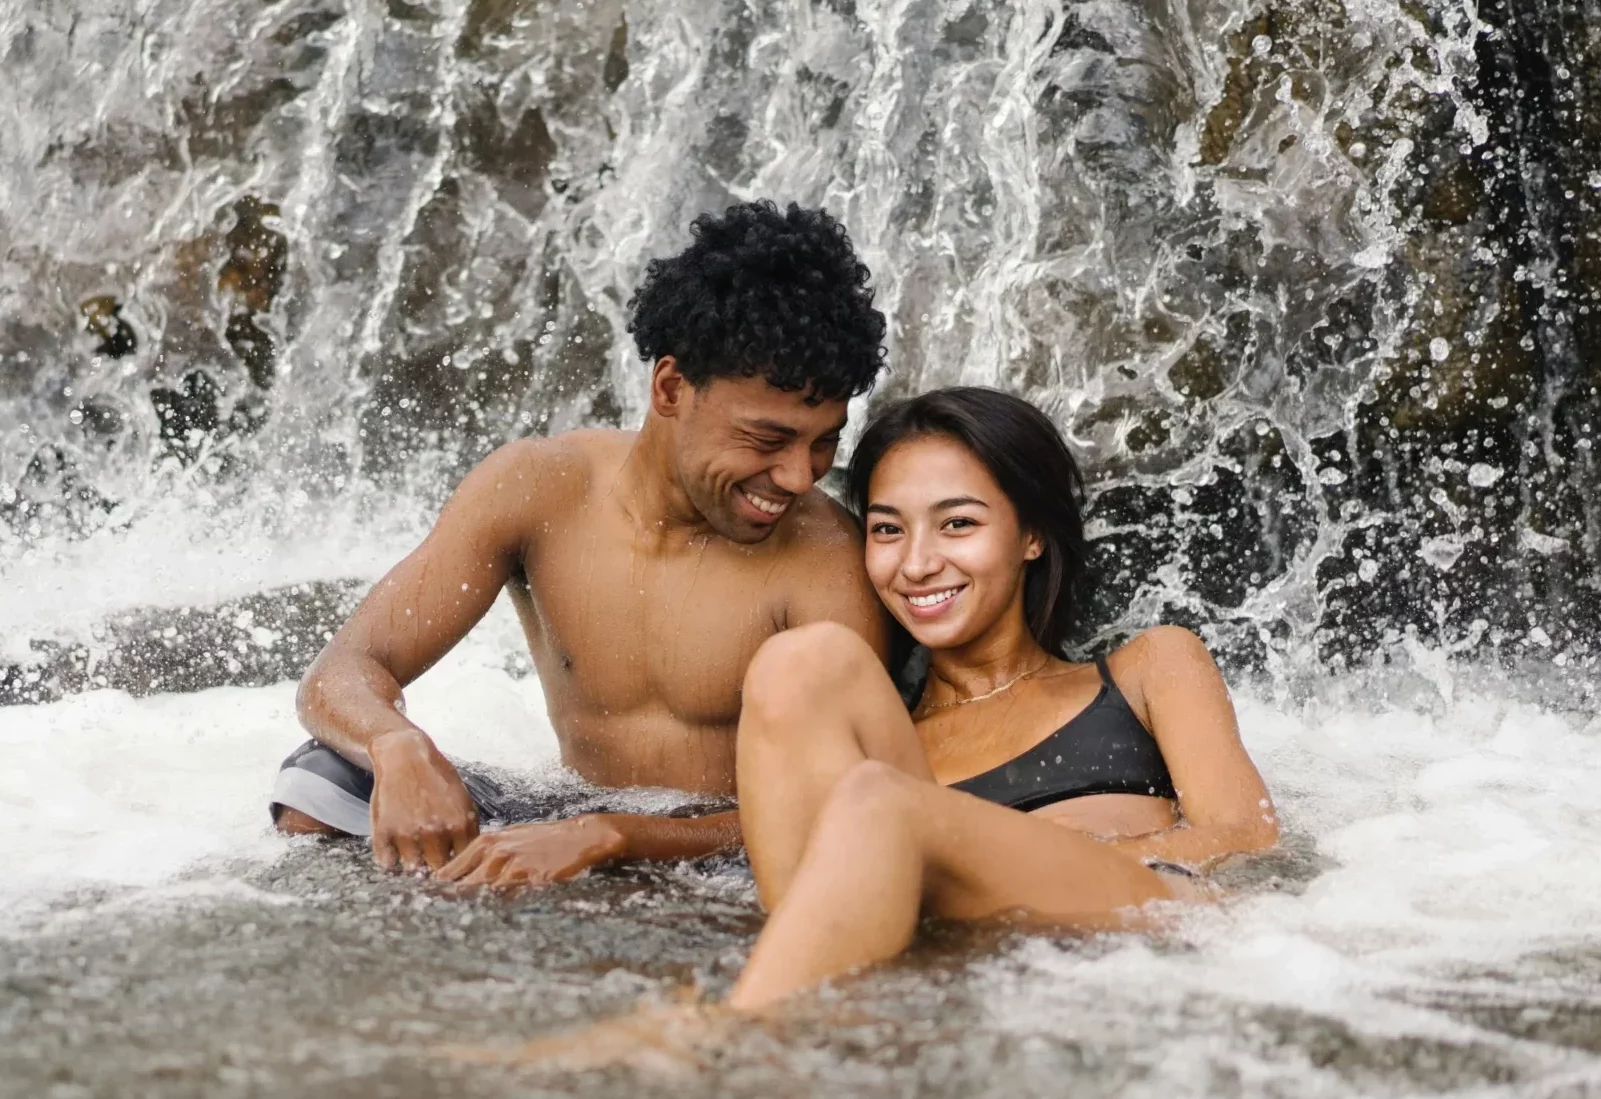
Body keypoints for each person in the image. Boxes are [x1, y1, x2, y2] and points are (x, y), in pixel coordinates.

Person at [270, 200, 890, 885]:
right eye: (766, 440)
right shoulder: (539, 489)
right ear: (671, 386)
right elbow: (345, 668)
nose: (799, 476)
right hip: (573, 810)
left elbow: (840, 802)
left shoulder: (825, 559)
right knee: (318, 782)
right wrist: (397, 744)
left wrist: (613, 837)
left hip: (724, 846)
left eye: (824, 442)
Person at [723, 387, 1279, 1009]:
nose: (916, 564)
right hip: (971, 965)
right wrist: (631, 831)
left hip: (1147, 916)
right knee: (796, 662)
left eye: (957, 523)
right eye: (887, 530)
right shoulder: (887, 742)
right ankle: (798, 1015)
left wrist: (1057, 852)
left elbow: (1248, 835)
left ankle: (735, 1033)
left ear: (1031, 535)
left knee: (880, 800)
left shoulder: (1149, 667)